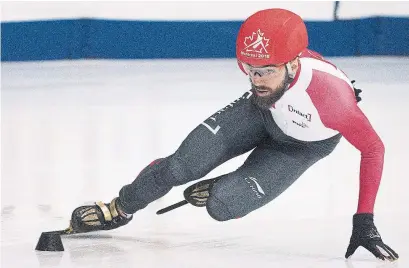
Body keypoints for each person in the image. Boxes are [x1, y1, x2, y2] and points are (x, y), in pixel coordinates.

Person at [68, 8, 399, 261]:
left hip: (299, 148)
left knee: (220, 206)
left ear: (293, 66)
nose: (256, 80)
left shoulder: (333, 102)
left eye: (267, 71)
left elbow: (373, 149)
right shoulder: (267, 82)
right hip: (259, 112)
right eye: (249, 69)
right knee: (180, 166)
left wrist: (364, 220)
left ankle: (223, 187)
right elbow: (304, 58)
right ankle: (118, 209)